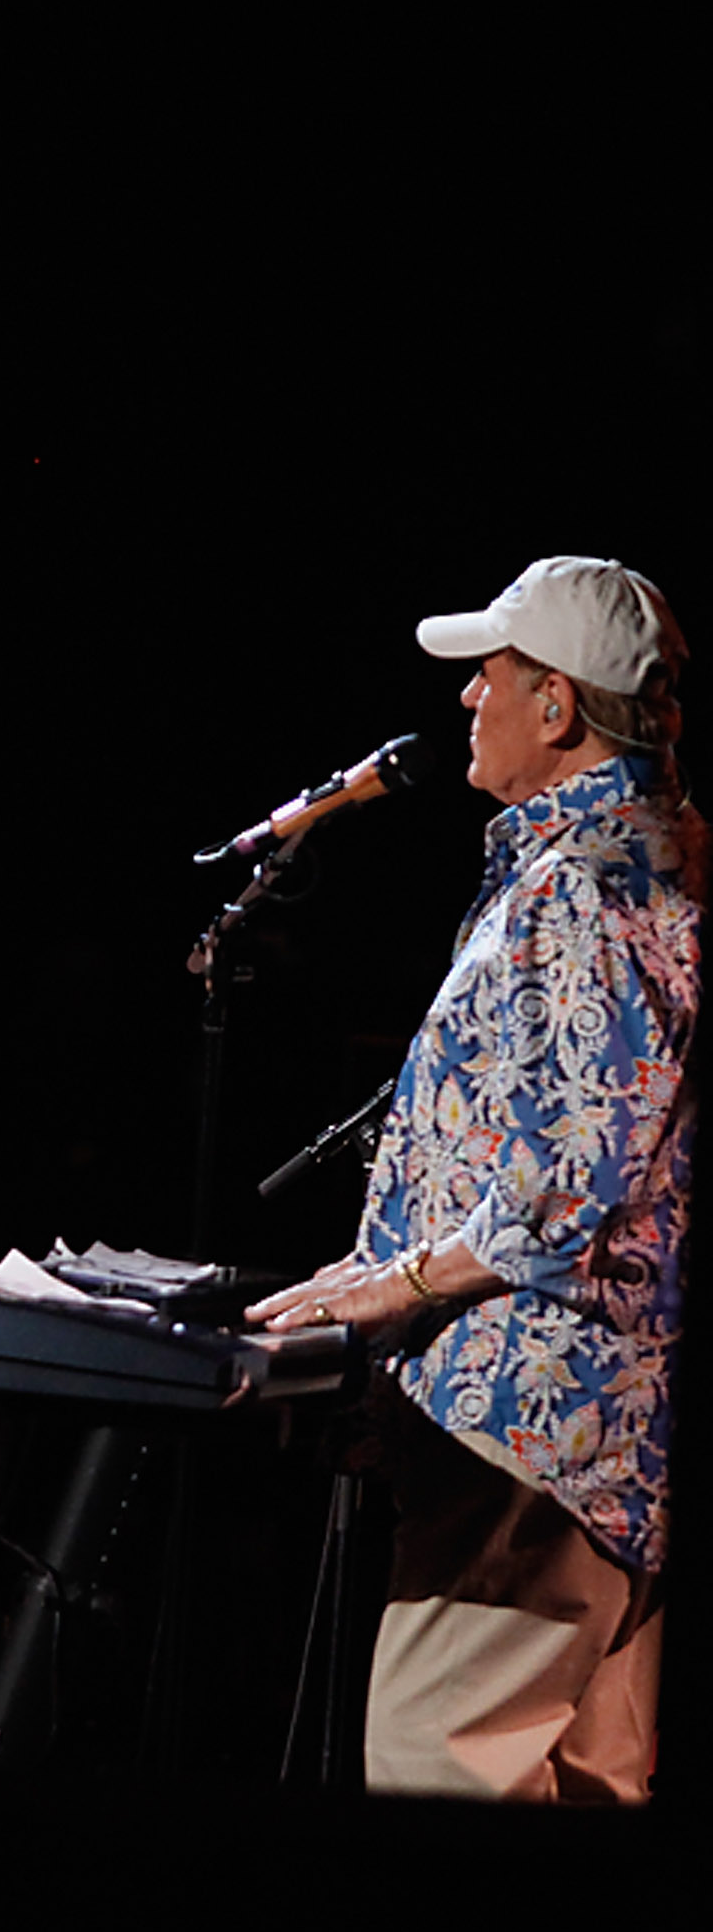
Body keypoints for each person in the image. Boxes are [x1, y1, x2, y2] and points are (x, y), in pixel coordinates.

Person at [248, 555, 702, 1802]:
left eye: (489, 676)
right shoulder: (654, 859)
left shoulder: (590, 886)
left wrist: (396, 1285)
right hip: (605, 1436)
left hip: (531, 1432)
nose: (466, 699)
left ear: (555, 708)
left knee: (433, 1777)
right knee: (591, 1789)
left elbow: (575, 1179)